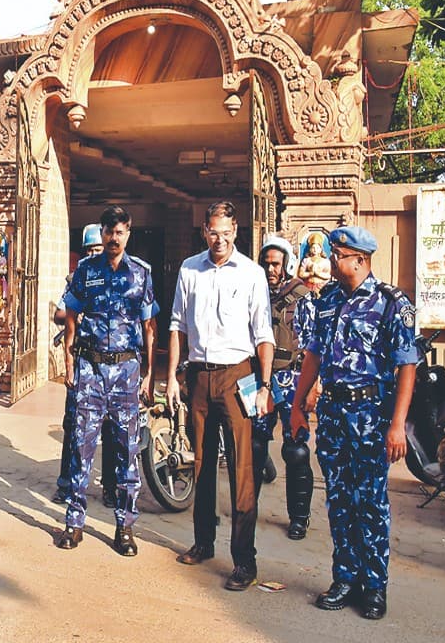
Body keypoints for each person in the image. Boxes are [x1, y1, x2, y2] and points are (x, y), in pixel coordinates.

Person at [291, 225, 417, 621]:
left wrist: (397, 425)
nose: (331, 259)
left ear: (360, 260)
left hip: (371, 418)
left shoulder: (390, 303)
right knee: (340, 500)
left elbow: (406, 365)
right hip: (332, 416)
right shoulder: (327, 299)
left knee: (372, 504)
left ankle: (375, 586)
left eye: (338, 254)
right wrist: (298, 405)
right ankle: (345, 578)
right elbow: (312, 353)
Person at [157, 201, 273, 591]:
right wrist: (173, 376)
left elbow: (264, 335)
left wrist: (265, 387)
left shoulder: (253, 274)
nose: (219, 240)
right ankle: (204, 542)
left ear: (235, 232)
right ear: (204, 231)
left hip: (239, 375)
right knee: (202, 464)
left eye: (226, 233)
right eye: (212, 232)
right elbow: (176, 325)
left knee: (242, 470)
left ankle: (244, 561)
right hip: (200, 378)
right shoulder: (190, 269)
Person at [57, 206, 157, 556]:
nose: (114, 238)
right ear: (101, 233)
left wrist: (149, 376)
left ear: (129, 232)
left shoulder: (141, 273)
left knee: (128, 451)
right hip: (90, 369)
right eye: (109, 232)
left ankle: (125, 527)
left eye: (120, 232)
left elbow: (149, 328)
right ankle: (74, 522)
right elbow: (70, 311)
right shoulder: (86, 270)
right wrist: (69, 360)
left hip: (127, 372)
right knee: (81, 448)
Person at [253, 235, 326, 541]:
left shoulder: (302, 297)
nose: (271, 269)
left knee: (295, 450)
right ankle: (247, 509)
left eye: (276, 264)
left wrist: (314, 387)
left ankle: (299, 516)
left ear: (287, 264)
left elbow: (315, 345)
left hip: (293, 378)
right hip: (258, 381)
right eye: (266, 263)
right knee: (253, 447)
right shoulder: (252, 294)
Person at [52, 224, 122, 508]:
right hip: (81, 363)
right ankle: (66, 483)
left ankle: (109, 487)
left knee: (110, 429)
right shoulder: (77, 279)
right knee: (73, 426)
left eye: (98, 249)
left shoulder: (119, 280)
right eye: (90, 250)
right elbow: (59, 312)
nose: (94, 254)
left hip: (110, 366)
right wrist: (75, 316)